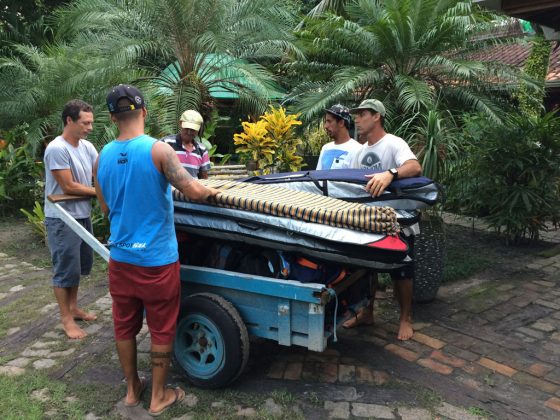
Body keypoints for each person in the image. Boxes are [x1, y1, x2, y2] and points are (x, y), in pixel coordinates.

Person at [94, 84, 218, 415]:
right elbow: (193, 190)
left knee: (124, 324)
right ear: (144, 112)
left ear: (111, 118)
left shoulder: (101, 156)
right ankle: (159, 395)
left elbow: (104, 210)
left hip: (120, 258)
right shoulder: (159, 151)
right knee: (161, 327)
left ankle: (133, 390)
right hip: (157, 261)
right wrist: (214, 191)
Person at [345, 99, 422, 341]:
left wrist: (390, 174)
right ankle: (367, 313)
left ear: (376, 116)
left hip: (398, 219)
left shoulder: (393, 143)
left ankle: (405, 319)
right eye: (355, 115)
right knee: (368, 268)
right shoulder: (359, 152)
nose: (356, 119)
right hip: (369, 220)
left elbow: (414, 166)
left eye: (362, 114)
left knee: (402, 269)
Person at [43, 99, 98, 340]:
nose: (90, 127)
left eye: (91, 123)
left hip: (82, 214)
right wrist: (100, 193)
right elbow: (68, 185)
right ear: (69, 120)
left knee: (78, 267)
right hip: (61, 218)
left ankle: (74, 307)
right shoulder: (57, 148)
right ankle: (66, 319)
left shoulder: (87, 147)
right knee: (65, 269)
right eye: (85, 123)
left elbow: (100, 171)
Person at [160, 109, 211, 179]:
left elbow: (204, 177)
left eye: (193, 129)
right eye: (187, 128)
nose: (189, 132)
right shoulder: (166, 143)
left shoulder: (202, 150)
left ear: (198, 129)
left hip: (193, 189)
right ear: (180, 124)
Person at [316, 104, 361, 170]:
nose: (325, 126)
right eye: (326, 122)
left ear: (341, 123)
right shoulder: (325, 148)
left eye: (329, 121)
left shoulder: (357, 149)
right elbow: (318, 176)